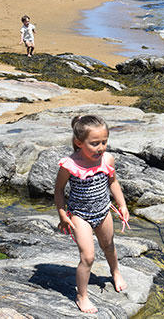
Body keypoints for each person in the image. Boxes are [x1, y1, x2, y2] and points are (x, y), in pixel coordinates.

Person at [54, 115, 129, 313]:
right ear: (79, 143)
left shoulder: (107, 159)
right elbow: (59, 190)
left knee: (109, 245)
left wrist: (122, 206)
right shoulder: (69, 164)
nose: (101, 147)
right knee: (88, 257)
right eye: (94, 143)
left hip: (103, 211)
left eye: (104, 142)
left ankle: (115, 272)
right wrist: (63, 214)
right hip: (79, 215)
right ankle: (82, 295)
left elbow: (113, 183)